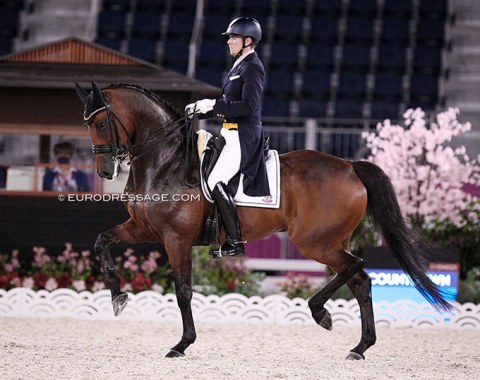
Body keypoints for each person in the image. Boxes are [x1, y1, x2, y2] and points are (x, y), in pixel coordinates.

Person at [186, 17, 270, 257]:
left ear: (248, 41)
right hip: (227, 132)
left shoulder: (253, 66)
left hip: (243, 136)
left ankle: (235, 241)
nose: (229, 42)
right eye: (230, 38)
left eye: (233, 38)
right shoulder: (239, 65)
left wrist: (212, 106)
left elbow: (248, 106)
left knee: (214, 182)